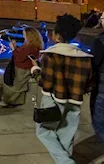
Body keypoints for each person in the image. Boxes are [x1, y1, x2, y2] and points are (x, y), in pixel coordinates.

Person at [31, 14, 92, 164]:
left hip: (52, 100)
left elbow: (45, 83)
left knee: (43, 132)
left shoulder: (50, 55)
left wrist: (35, 70)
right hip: (75, 101)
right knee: (67, 134)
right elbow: (88, 84)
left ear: (57, 35)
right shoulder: (85, 58)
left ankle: (65, 162)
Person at [0, 27, 43, 107]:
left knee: (14, 85)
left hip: (23, 70)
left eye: (25, 34)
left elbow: (19, 58)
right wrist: (15, 48)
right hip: (23, 68)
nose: (23, 36)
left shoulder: (30, 47)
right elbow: (22, 54)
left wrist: (13, 49)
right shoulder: (33, 45)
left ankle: (9, 101)